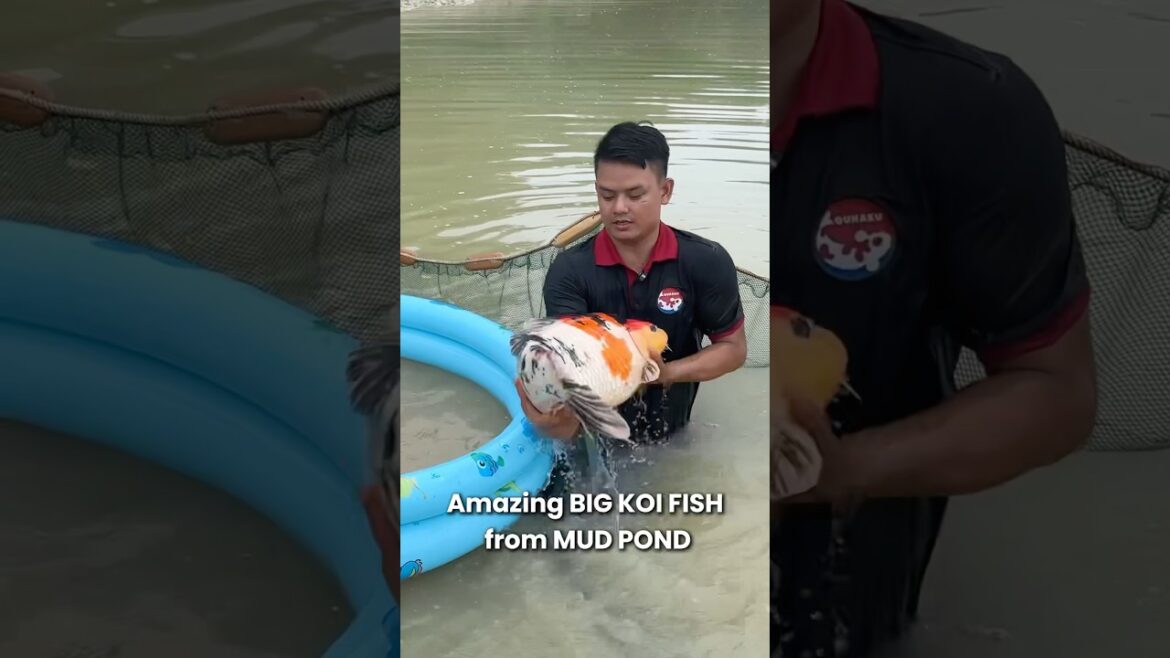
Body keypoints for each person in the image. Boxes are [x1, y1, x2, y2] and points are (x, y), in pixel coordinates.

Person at [770, 1, 1098, 656]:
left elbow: (1056, 392)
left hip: (847, 546)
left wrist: (848, 468)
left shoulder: (967, 110)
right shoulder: (550, 95)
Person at [515, 121, 748, 448]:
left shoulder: (705, 262)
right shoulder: (570, 270)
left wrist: (666, 374)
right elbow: (563, 362)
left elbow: (733, 350)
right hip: (593, 438)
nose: (618, 208)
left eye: (635, 194)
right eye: (606, 195)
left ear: (665, 191)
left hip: (674, 434)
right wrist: (556, 419)